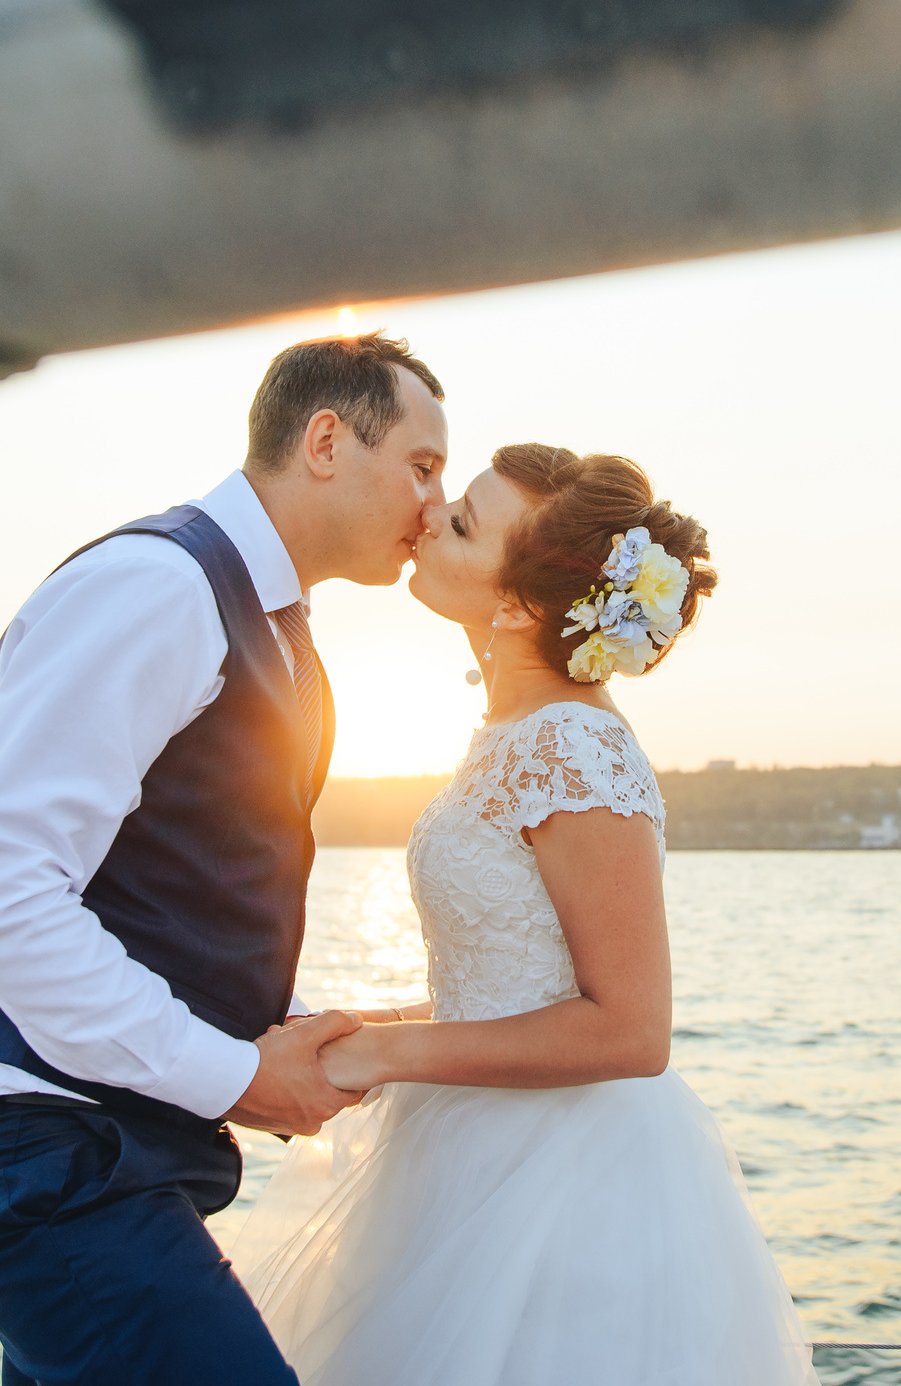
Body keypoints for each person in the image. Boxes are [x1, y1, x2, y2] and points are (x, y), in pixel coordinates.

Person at [0, 333, 450, 1386]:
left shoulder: (284, 632)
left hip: (120, 1154)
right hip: (41, 1150)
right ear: (326, 439)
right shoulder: (158, 587)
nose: (434, 502)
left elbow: (182, 894)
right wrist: (238, 1074)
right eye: (421, 464)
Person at [234, 444, 817, 1386]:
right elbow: (506, 985)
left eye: (462, 520)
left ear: (520, 605)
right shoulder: (516, 735)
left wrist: (387, 1056)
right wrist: (357, 1025)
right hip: (465, 1148)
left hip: (563, 1187)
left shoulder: (575, 747)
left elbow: (630, 1028)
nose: (428, 518)